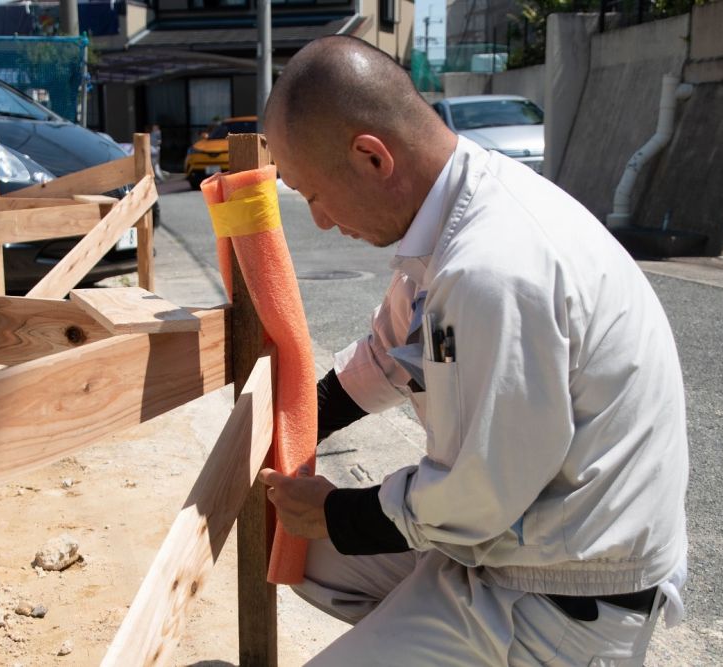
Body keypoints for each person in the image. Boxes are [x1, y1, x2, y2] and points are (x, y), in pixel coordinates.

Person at [257, 36, 689, 666]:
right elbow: (386, 357)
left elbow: (479, 496)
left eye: (312, 194)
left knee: (328, 530)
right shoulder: (453, 212)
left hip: (563, 594)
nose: (319, 222)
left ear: (372, 158)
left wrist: (335, 510)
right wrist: (291, 425)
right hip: (516, 541)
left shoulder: (493, 266)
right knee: (304, 550)